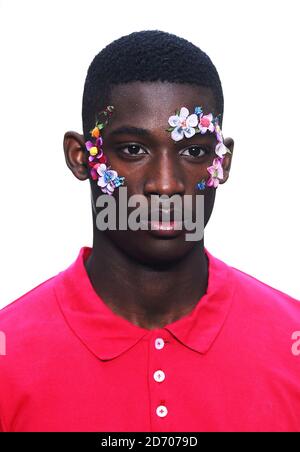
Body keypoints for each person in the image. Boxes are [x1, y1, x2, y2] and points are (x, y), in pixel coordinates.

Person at [0, 30, 299, 433]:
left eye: (194, 151)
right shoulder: (9, 355)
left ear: (222, 162)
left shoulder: (291, 343)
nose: (166, 183)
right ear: (80, 157)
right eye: (132, 150)